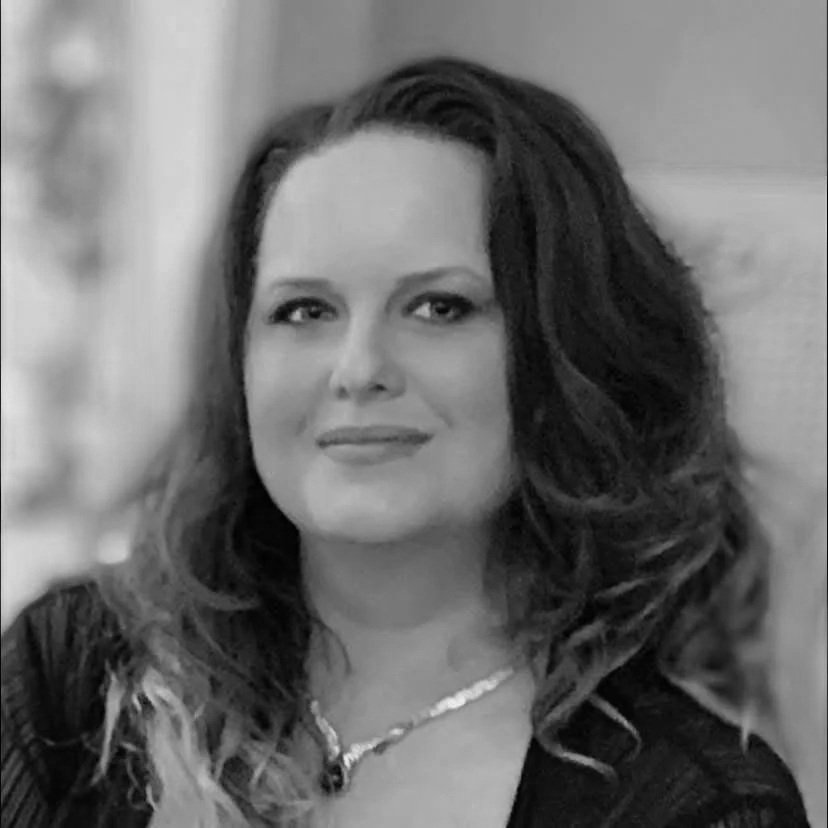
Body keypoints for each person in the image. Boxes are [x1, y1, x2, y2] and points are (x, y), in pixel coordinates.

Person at [0, 56, 811, 828]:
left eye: (438, 308)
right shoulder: (73, 680)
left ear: (568, 357)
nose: (358, 369)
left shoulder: (698, 805)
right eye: (304, 311)